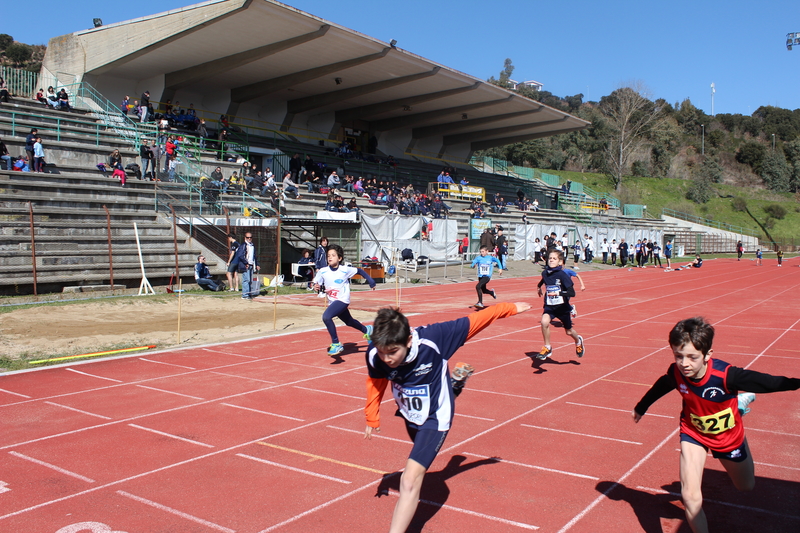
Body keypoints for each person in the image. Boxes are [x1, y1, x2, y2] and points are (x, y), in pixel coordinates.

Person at [363, 301, 531, 533]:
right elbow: (376, 381)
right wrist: (372, 415)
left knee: (410, 479)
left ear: (408, 341)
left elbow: (477, 320)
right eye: (382, 352)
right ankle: (455, 385)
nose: (387, 358)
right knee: (418, 449)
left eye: (392, 352)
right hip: (410, 412)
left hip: (436, 416)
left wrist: (510, 308)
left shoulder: (436, 338)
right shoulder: (374, 354)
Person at [632, 317, 800, 533]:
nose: (684, 364)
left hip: (728, 437)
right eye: (678, 356)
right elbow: (662, 385)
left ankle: (736, 407)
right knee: (690, 498)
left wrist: (797, 383)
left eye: (692, 357)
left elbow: (769, 382)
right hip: (694, 432)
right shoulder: (676, 372)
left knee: (746, 486)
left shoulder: (726, 375)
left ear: (707, 355)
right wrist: (641, 407)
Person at [313, 244, 376, 356]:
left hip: (343, 300)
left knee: (326, 317)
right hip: (333, 301)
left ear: (340, 258)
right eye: (328, 256)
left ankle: (336, 343)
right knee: (349, 321)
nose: (330, 258)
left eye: (333, 255)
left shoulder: (345, 269)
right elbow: (315, 283)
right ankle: (367, 330)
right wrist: (315, 287)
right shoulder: (322, 271)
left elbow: (360, 271)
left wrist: (371, 281)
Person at [536, 249, 585, 360]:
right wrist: (539, 287)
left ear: (560, 262)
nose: (551, 260)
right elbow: (543, 280)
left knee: (568, 331)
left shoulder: (562, 275)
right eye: (550, 258)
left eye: (554, 258)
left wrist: (558, 292)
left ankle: (578, 341)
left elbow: (572, 293)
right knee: (544, 322)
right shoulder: (545, 273)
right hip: (550, 306)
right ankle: (547, 347)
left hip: (562, 307)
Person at [470, 245, 503, 309]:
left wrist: (500, 268)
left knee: (478, 286)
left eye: (483, 251)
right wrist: (473, 266)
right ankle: (491, 292)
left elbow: (498, 261)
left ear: (487, 251)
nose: (482, 253)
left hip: (487, 276)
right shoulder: (478, 258)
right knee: (484, 290)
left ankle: (480, 302)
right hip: (480, 276)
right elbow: (472, 264)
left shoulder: (490, 258)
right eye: (481, 252)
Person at [234, 232, 260, 300]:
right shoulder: (243, 245)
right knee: (246, 280)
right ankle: (245, 295)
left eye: (250, 237)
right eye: (248, 237)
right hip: (245, 265)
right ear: (245, 238)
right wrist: (246, 263)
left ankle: (249, 293)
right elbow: (240, 255)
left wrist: (257, 264)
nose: (249, 239)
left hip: (251, 264)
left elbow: (254, 256)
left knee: (250, 280)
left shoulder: (252, 246)